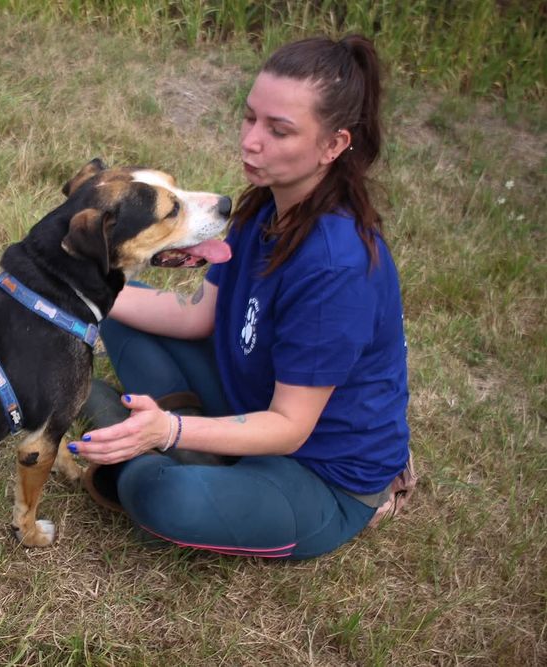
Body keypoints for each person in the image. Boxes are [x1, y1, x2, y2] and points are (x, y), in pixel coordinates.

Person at [68, 34, 413, 560]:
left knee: (165, 497)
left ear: (334, 145)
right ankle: (166, 434)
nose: (251, 141)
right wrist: (67, 291)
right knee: (109, 299)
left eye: (279, 130)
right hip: (249, 400)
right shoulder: (263, 206)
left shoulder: (337, 267)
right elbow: (197, 317)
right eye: (249, 117)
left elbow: (291, 428)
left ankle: (147, 434)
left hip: (318, 471)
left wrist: (169, 430)